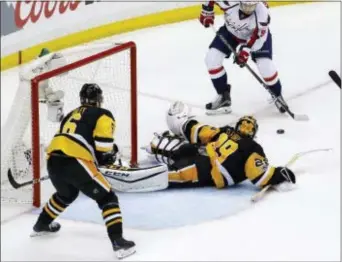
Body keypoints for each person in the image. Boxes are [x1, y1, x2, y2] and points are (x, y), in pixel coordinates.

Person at [31, 83, 135, 259]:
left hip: (53, 159)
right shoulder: (103, 114)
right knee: (107, 197)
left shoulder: (70, 115)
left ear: (81, 99)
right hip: (76, 160)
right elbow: (103, 149)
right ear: (99, 100)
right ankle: (119, 243)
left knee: (66, 194)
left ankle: (41, 224)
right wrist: (110, 154)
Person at [145, 101, 296, 190]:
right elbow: (204, 132)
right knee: (182, 148)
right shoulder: (229, 132)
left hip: (210, 171)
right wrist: (188, 124)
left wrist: (277, 174)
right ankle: (155, 150)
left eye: (249, 126)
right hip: (202, 155)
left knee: (178, 174)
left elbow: (259, 174)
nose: (245, 127)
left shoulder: (252, 147)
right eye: (244, 124)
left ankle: (143, 178)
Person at [199, 1, 289, 115]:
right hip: (230, 32)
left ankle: (277, 95)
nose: (247, 9)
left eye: (251, 6)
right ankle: (223, 96)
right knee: (211, 59)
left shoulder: (262, 12)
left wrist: (245, 51)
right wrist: (207, 10)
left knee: (265, 67)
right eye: (245, 5)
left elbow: (258, 36)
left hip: (256, 38)